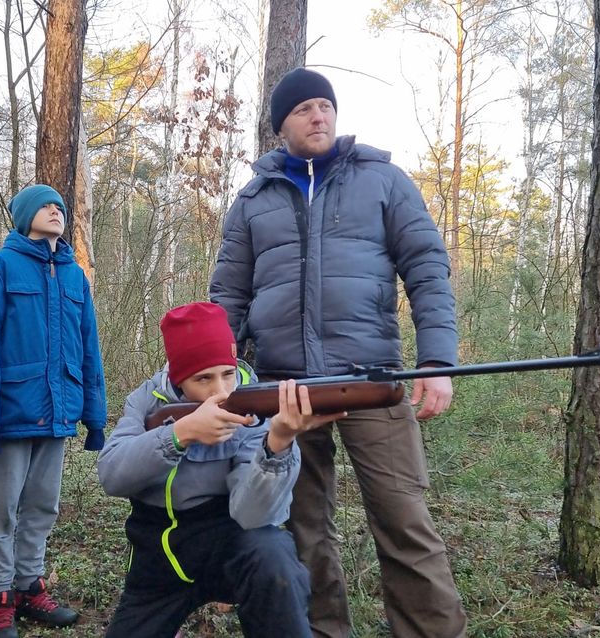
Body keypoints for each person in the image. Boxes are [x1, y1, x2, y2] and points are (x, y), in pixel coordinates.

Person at [209, 67, 467, 637]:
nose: (318, 115)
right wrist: (220, 378)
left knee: (404, 520)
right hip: (284, 389)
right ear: (282, 126)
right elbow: (227, 294)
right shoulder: (252, 200)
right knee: (303, 528)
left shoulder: (383, 179)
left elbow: (427, 269)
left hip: (373, 378)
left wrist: (437, 362)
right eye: (303, 109)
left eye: (325, 105)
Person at [98, 301, 335, 638]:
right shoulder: (146, 401)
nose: (222, 391)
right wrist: (180, 434)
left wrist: (278, 441)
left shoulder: (254, 405)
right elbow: (111, 475)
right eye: (203, 379)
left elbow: (253, 516)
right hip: (158, 560)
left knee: (273, 556)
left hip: (231, 545)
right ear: (179, 380)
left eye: (227, 373)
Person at [0, 184, 107, 638]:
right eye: (46, 205)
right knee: (3, 510)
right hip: (10, 414)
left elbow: (90, 352)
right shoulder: (1, 267)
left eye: (61, 207)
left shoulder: (74, 277)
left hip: (59, 410)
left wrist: (95, 415)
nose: (56, 211)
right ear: (24, 215)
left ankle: (29, 587)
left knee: (43, 506)